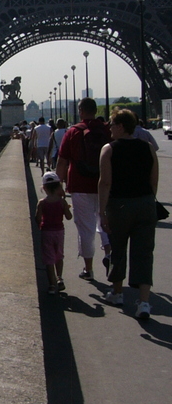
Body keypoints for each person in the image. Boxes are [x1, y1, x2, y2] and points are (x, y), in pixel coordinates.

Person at [98, 109, 158, 319]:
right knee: (144, 253)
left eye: (112, 124)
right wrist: (147, 202)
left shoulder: (109, 150)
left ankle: (117, 292)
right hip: (145, 204)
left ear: (121, 126)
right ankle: (143, 302)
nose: (109, 127)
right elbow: (153, 181)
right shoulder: (148, 148)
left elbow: (105, 183)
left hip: (119, 206)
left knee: (118, 249)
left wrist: (102, 211)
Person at [56, 97, 111, 280]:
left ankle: (88, 269)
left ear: (80, 111)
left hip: (80, 185)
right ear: (95, 110)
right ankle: (109, 253)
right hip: (105, 184)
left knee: (85, 228)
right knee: (104, 223)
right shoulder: (107, 130)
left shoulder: (73, 132)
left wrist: (59, 186)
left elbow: (62, 162)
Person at [35, 172, 73, 294]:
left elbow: (38, 218)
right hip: (59, 232)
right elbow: (68, 217)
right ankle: (59, 278)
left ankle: (51, 285)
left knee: (48, 259)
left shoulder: (42, 203)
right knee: (59, 255)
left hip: (46, 231)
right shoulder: (61, 202)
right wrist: (67, 206)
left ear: (44, 188)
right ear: (58, 187)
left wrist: (40, 225)